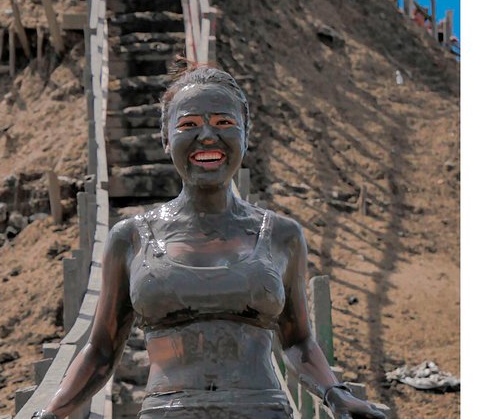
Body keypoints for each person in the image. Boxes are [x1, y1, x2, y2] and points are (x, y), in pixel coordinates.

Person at [33, 61, 387, 419]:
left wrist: (335, 394)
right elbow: (101, 350)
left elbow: (298, 341)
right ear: (165, 137)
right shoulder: (131, 238)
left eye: (223, 123)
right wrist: (53, 412)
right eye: (188, 124)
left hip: (263, 411)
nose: (206, 136)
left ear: (246, 134)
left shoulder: (282, 235)